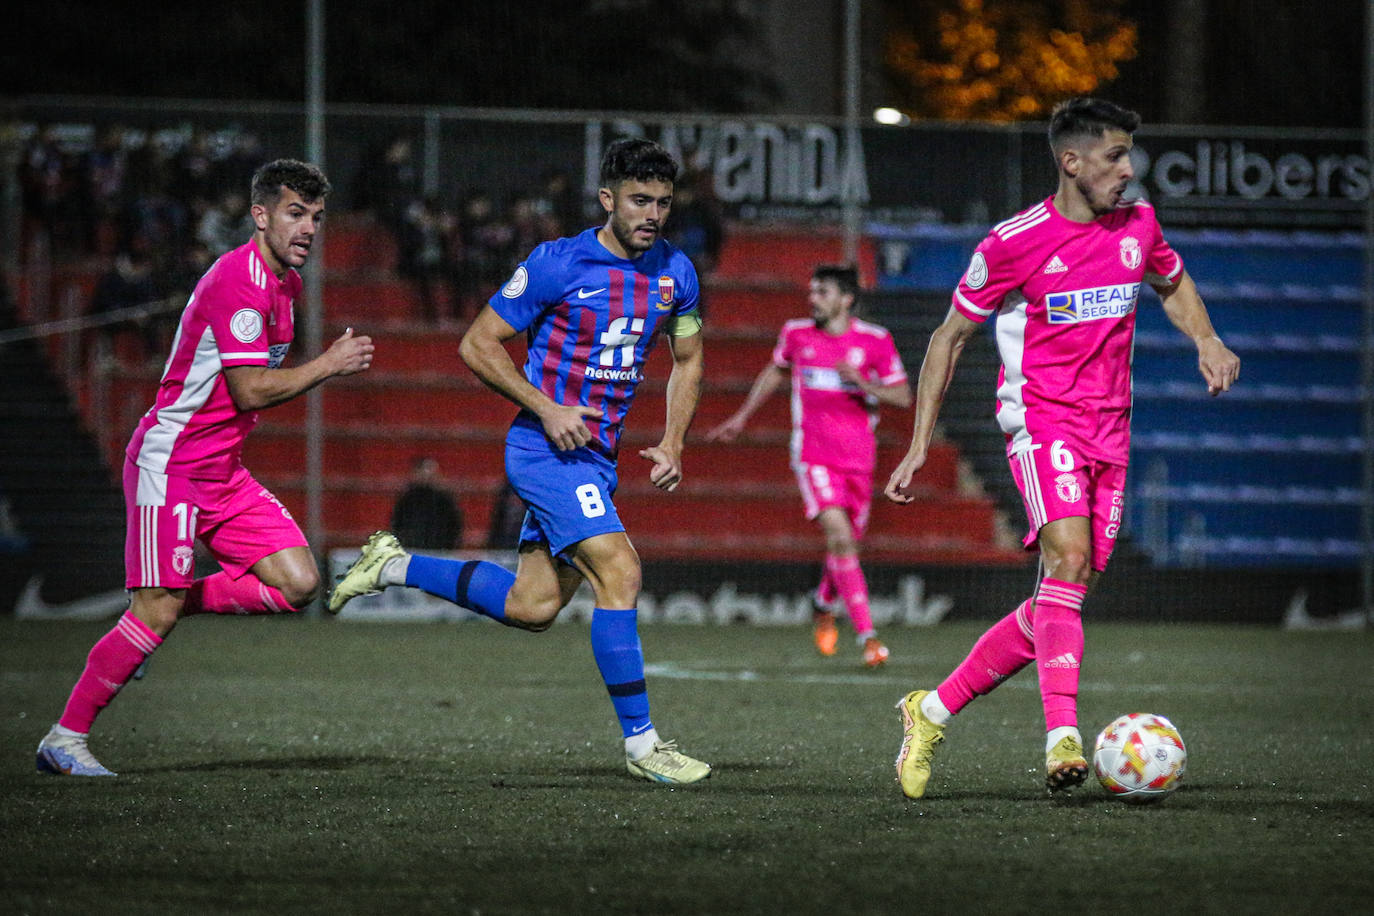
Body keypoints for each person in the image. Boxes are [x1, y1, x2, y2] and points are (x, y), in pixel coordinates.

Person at [884, 98, 1240, 799]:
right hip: (1042, 423)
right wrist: (920, 442)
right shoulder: (1014, 241)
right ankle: (1062, 739)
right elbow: (947, 338)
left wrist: (1207, 337)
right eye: (1114, 156)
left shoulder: (1138, 225)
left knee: (1063, 594)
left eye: (1128, 155)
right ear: (1070, 161)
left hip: (1112, 432)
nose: (1128, 170)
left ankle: (929, 710)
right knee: (1068, 560)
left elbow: (1172, 282)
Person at [329, 138, 711, 786]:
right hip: (543, 448)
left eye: (663, 202)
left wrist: (673, 440)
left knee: (531, 607)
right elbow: (477, 343)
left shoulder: (678, 273)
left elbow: (690, 358)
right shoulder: (559, 263)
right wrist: (548, 406)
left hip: (597, 459)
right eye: (639, 200)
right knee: (620, 571)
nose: (652, 213)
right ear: (608, 199)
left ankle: (391, 564)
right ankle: (644, 746)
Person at [35, 159, 375, 777]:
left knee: (297, 583)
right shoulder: (237, 282)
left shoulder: (286, 287)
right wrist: (327, 364)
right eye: (296, 214)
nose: (308, 229)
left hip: (223, 470)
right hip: (172, 462)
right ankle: (65, 739)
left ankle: (158, 612)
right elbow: (249, 390)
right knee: (156, 611)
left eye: (318, 219)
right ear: (261, 214)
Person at [706, 264, 911, 668]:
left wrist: (863, 383)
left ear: (846, 298)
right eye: (812, 291)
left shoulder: (875, 340)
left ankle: (823, 602)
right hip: (814, 454)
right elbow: (774, 372)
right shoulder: (797, 334)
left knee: (846, 543)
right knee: (839, 535)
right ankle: (869, 637)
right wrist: (742, 415)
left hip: (860, 458)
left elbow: (903, 396)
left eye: (822, 292)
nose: (813, 299)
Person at [390, 456, 463, 550]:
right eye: (423, 472)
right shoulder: (407, 500)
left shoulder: (445, 500)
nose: (427, 476)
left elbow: (454, 526)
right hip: (412, 550)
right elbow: (397, 525)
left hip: (439, 551)